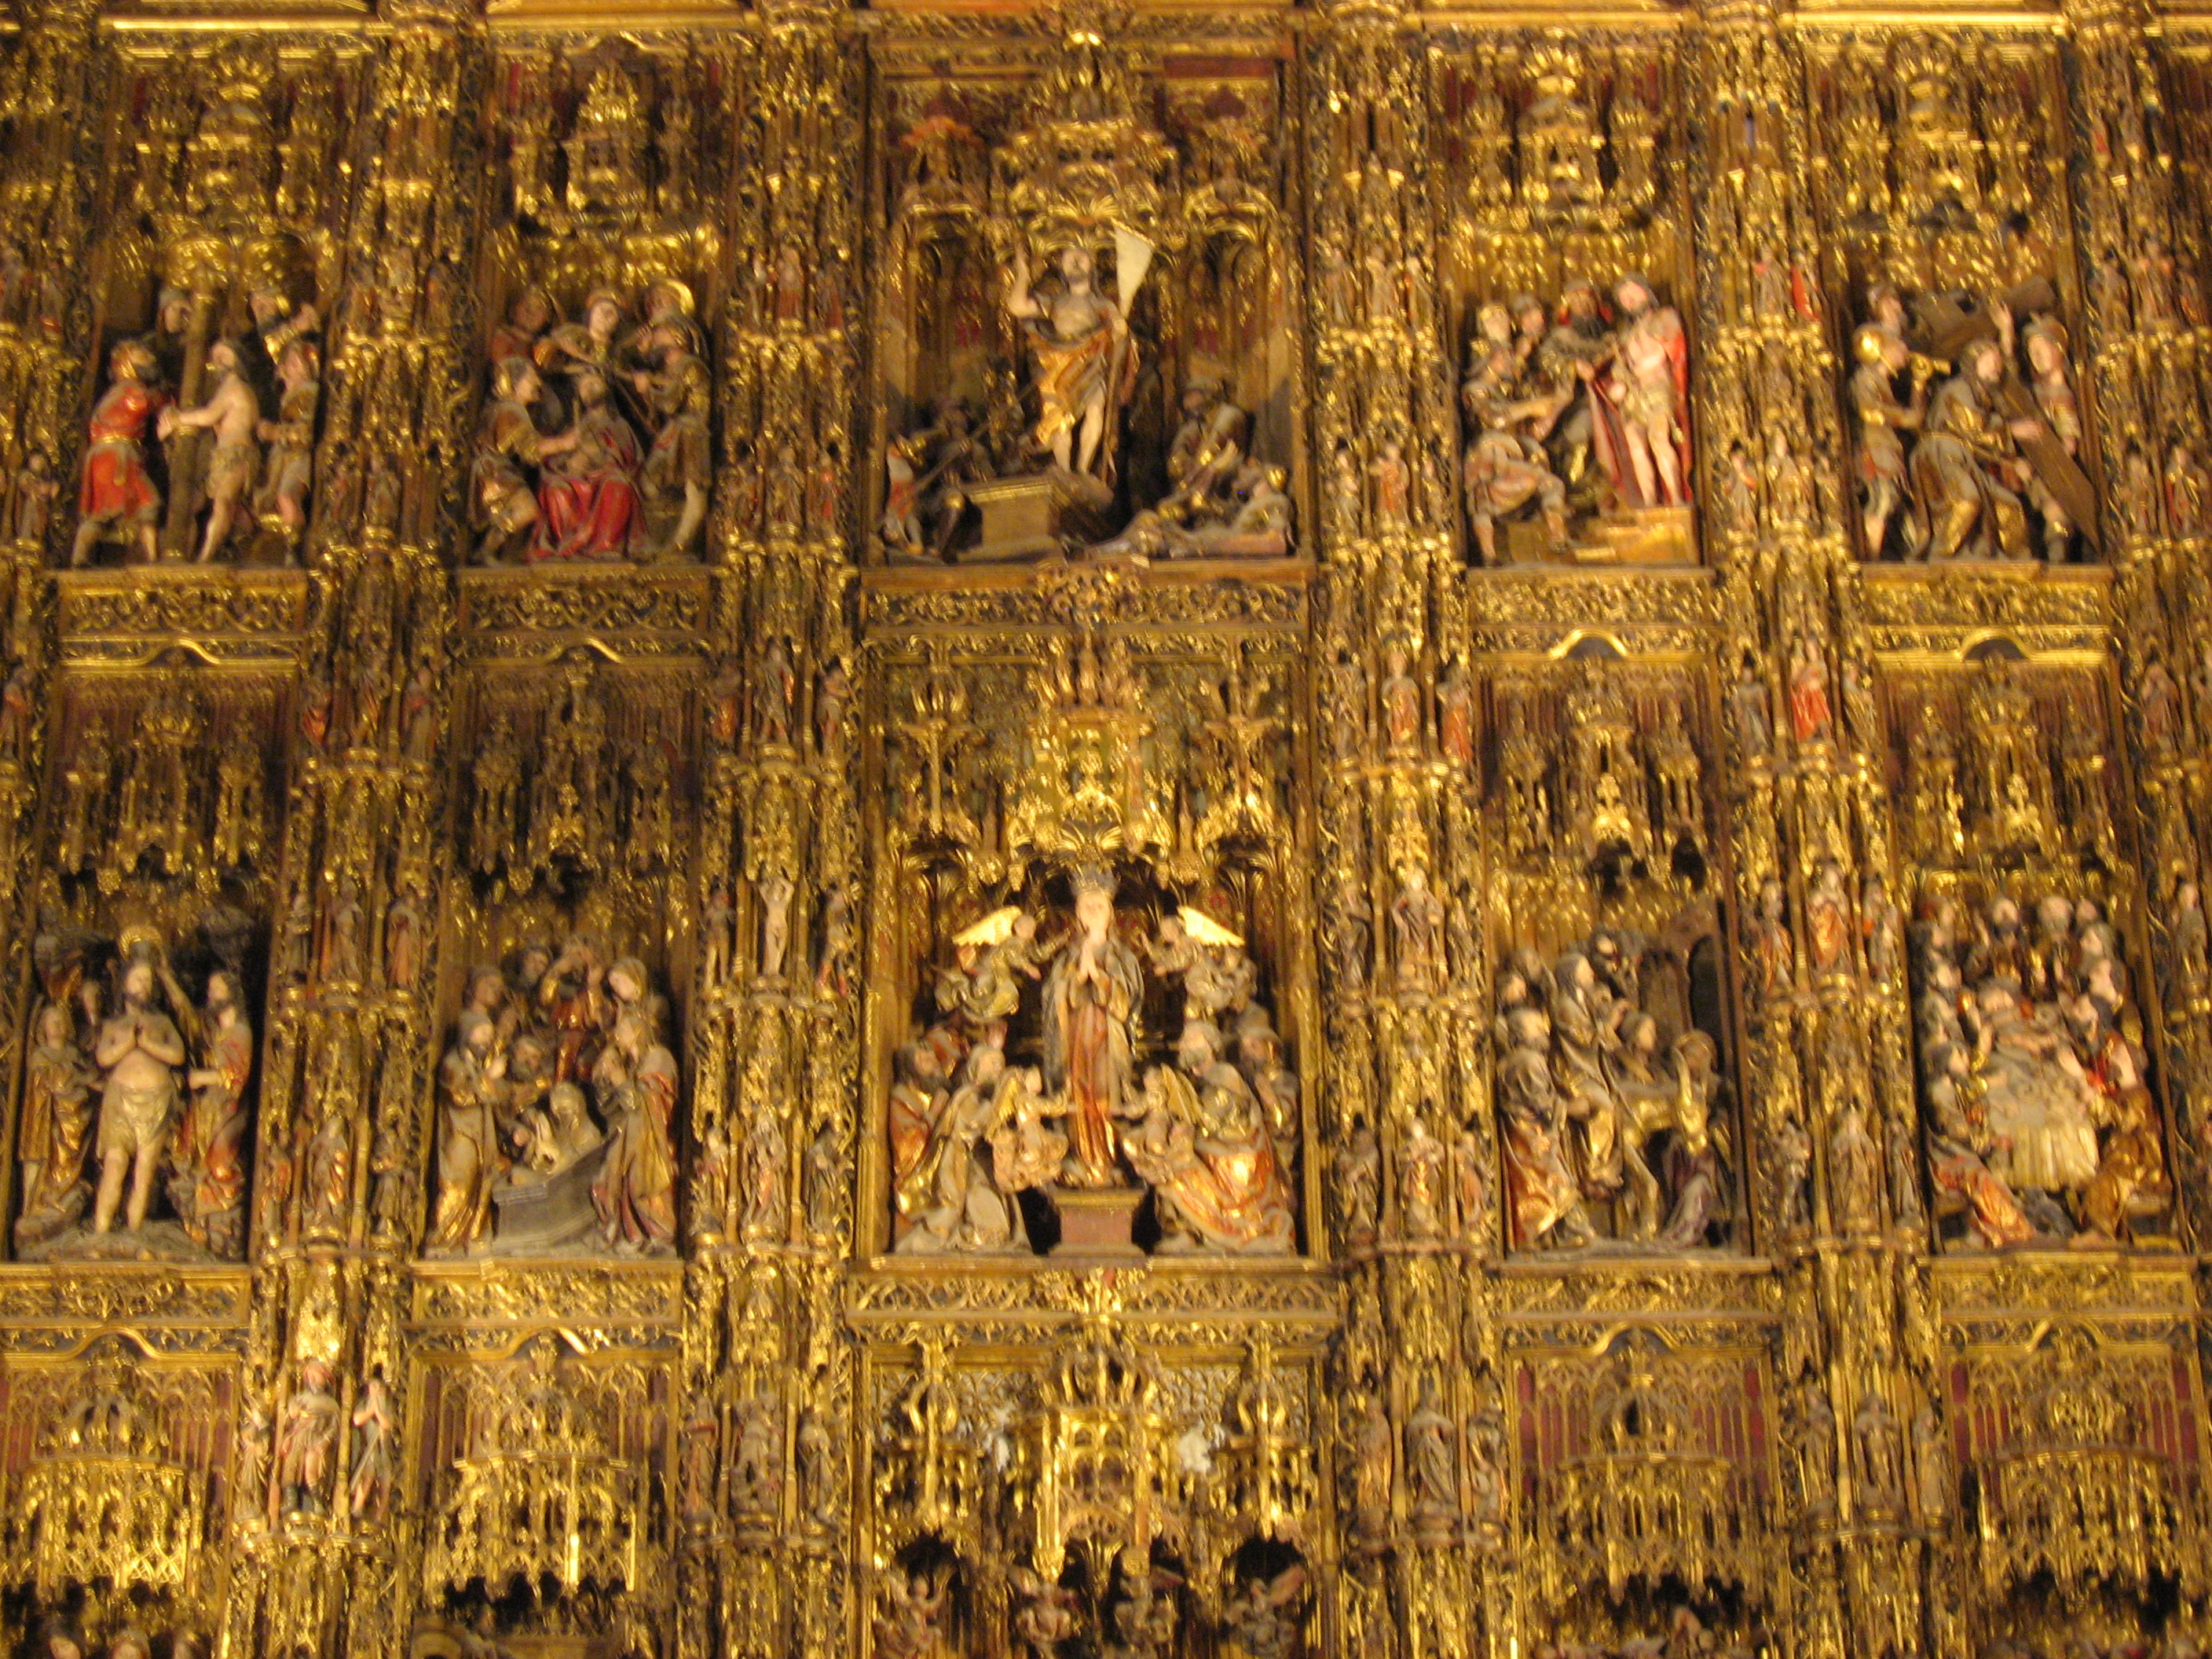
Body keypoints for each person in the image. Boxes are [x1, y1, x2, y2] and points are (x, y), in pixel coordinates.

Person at [90, 950, 187, 1236]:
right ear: (125, 984)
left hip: (156, 1100)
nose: (144, 986)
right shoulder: (113, 1025)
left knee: (144, 1170)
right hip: (120, 1100)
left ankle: (133, 1232)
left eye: (148, 981)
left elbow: (178, 1055)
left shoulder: (162, 1022)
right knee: (115, 1164)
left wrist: (146, 1044)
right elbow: (103, 1058)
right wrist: (129, 1043)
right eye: (138, 979)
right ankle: (101, 1232)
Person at [71, 339, 167, 566]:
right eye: (142, 355)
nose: (150, 359)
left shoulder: (115, 391)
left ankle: (80, 556)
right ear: (126, 362)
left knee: (102, 512)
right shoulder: (131, 388)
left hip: (105, 457)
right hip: (117, 457)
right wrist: (162, 398)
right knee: (148, 504)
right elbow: (140, 404)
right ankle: (152, 559)